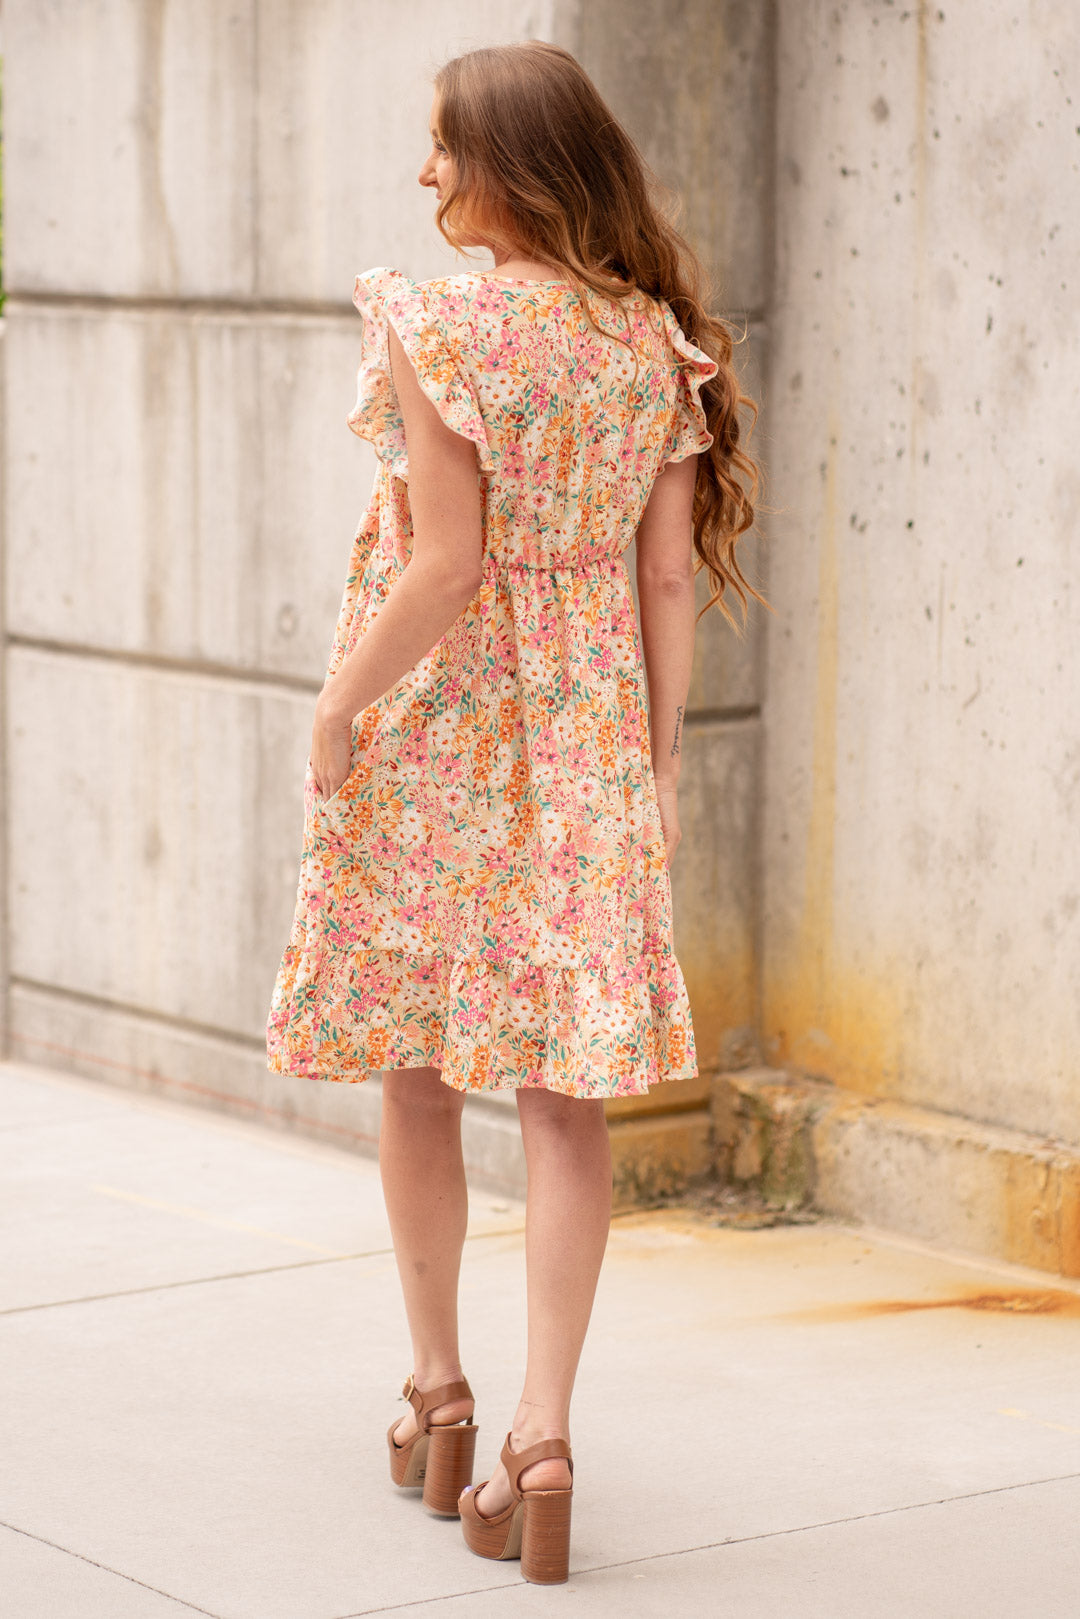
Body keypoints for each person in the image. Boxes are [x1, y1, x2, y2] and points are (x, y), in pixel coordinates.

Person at [266, 38, 761, 1586]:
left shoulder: (438, 326)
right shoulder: (652, 343)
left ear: (509, 162)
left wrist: (338, 707)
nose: (424, 173)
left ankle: (440, 1392)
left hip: (441, 738)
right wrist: (653, 766)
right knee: (564, 1101)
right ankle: (543, 1435)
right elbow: (667, 580)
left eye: (441, 145)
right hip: (585, 746)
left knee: (417, 1072)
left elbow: (446, 567)